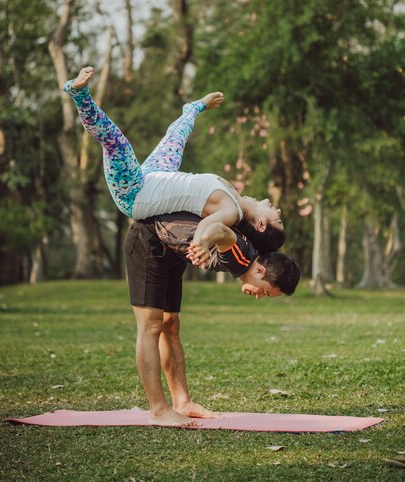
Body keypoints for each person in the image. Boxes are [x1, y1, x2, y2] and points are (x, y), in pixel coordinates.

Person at [63, 67, 284, 264]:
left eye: (278, 218)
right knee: (176, 137)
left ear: (261, 225)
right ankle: (194, 108)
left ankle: (80, 94)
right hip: (154, 175)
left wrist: (201, 245)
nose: (279, 210)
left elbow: (207, 227)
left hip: (135, 193)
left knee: (115, 141)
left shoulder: (231, 212)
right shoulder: (233, 196)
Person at [124, 210, 300, 426]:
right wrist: (203, 243)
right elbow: (220, 230)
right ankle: (158, 410)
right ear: (261, 270)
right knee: (151, 326)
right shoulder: (242, 257)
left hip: (170, 252)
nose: (258, 296)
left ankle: (183, 403)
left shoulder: (249, 254)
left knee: (170, 324)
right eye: (264, 291)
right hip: (148, 241)